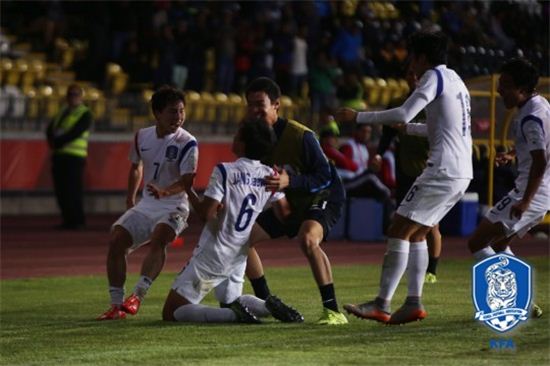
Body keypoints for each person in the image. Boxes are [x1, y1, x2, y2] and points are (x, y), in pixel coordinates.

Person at [336, 31, 472, 324]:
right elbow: (443, 128)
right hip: (462, 172)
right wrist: (407, 130)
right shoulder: (457, 81)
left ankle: (382, 304)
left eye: (413, 56)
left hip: (442, 169)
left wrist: (358, 116)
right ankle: (413, 302)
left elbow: (404, 112)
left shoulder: (432, 77)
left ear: (422, 57)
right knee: (418, 233)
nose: (411, 62)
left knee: (398, 228)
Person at [162, 119, 303, 323]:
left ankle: (233, 316)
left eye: (237, 135)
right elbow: (284, 215)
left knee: (172, 312)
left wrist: (188, 188)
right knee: (231, 299)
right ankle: (266, 306)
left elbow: (205, 214)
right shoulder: (269, 174)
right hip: (239, 253)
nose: (234, 138)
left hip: (214, 252)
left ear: (243, 144)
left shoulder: (225, 171)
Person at [245, 77, 349, 325]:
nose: (254, 110)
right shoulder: (254, 138)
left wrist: (290, 181)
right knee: (242, 239)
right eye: (250, 104)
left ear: (276, 105)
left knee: (308, 238)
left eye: (260, 103)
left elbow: (324, 175)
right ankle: (268, 303)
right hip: (289, 199)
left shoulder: (301, 135)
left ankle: (333, 311)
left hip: (322, 195)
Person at [97, 86, 197, 320]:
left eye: (182, 111)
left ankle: (138, 295)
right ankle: (115, 305)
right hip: (148, 204)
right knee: (116, 239)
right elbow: (136, 167)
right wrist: (130, 197)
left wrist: (165, 191)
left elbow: (187, 182)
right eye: (173, 112)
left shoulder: (188, 142)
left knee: (160, 237)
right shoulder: (142, 136)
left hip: (175, 205)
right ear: (157, 113)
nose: (179, 117)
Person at [467, 58, 548, 318]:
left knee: (477, 241)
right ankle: (524, 300)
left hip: (531, 192)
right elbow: (541, 145)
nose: (499, 91)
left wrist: (525, 200)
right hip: (540, 191)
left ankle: (517, 298)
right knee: (500, 246)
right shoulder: (540, 103)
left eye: (505, 86)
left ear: (522, 88)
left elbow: (540, 161)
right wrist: (514, 152)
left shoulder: (530, 118)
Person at [376, 67, 443, 284]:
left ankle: (431, 270)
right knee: (403, 220)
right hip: (403, 168)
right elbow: (387, 132)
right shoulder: (398, 103)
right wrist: (378, 154)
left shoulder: (434, 104)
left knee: (430, 224)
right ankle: (407, 266)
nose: (413, 78)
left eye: (418, 75)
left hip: (429, 168)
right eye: (410, 74)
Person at [46, 84, 93, 230]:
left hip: (75, 157)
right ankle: (67, 220)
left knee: (74, 189)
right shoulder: (62, 112)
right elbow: (49, 129)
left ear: (81, 96)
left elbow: (76, 132)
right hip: (59, 155)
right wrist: (52, 142)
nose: (72, 97)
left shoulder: (85, 113)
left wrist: (57, 142)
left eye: (75, 94)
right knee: (61, 190)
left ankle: (78, 221)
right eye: (70, 94)